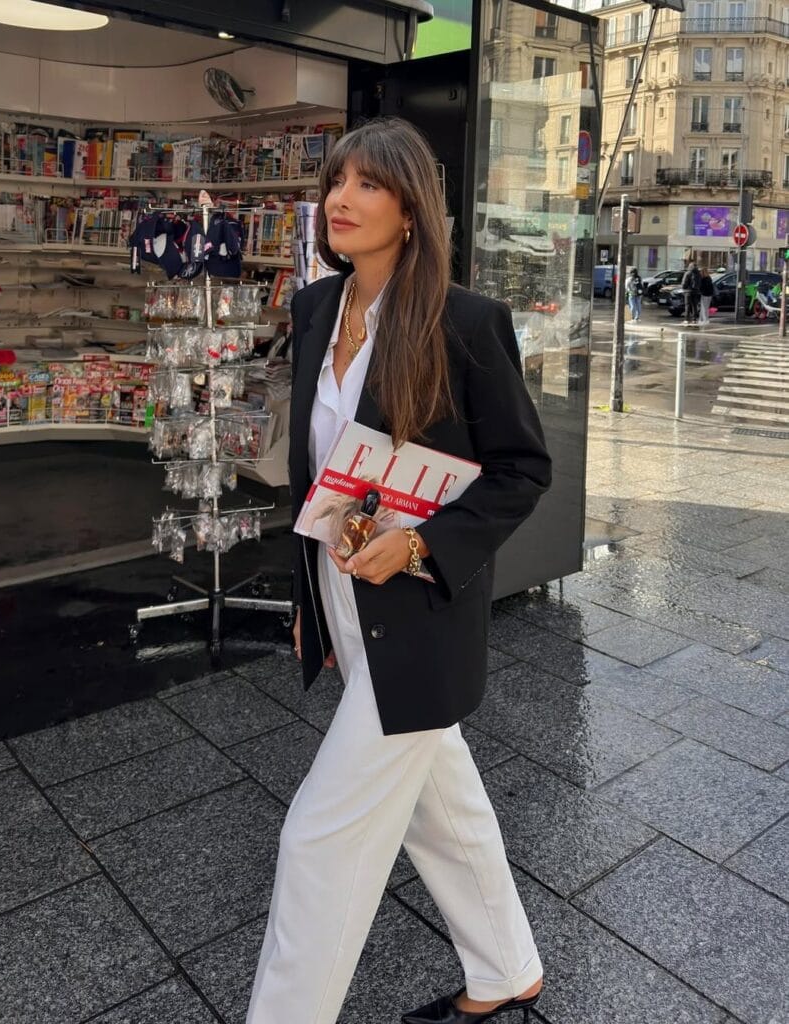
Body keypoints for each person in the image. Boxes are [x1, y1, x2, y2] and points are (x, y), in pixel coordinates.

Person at [246, 117, 551, 1024]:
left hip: (419, 614)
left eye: (367, 184)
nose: (340, 198)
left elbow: (523, 469)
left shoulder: (463, 322)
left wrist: (422, 545)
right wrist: (312, 598)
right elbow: (317, 477)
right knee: (442, 808)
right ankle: (506, 968)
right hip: (344, 597)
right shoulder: (312, 308)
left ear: (411, 209)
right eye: (336, 181)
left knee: (318, 839)